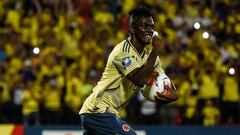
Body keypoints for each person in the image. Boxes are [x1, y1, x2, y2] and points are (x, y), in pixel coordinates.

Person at [79, 7, 178, 135]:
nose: (150, 30)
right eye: (144, 26)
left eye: (151, 27)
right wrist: (156, 50)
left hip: (107, 113)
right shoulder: (122, 51)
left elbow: (164, 82)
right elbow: (139, 79)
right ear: (132, 29)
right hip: (97, 111)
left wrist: (174, 96)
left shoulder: (151, 58)